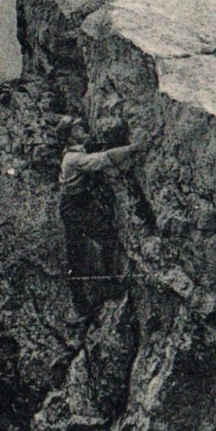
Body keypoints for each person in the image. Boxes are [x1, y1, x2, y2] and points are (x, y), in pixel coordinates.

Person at [57, 118, 136, 313]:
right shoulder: (73, 159)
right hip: (74, 208)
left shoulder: (74, 151)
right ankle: (106, 285)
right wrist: (132, 149)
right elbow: (104, 159)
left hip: (76, 204)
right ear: (70, 136)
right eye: (77, 128)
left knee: (78, 252)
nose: (81, 128)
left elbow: (90, 145)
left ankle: (84, 299)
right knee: (102, 240)